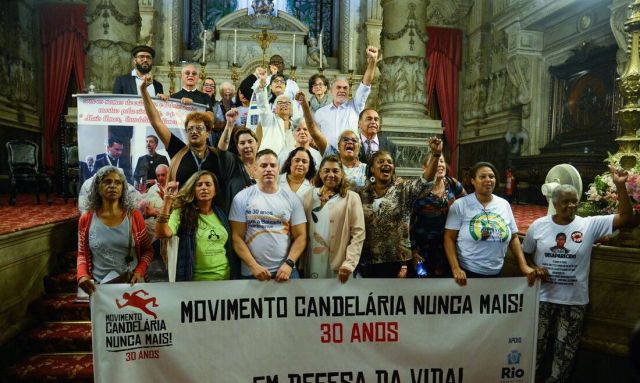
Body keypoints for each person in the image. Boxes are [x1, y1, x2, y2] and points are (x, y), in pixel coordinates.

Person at [522, 166, 632, 383]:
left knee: (565, 351)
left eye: (575, 201)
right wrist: (533, 268)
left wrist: (620, 186)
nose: (571, 206)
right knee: (534, 346)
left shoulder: (588, 225)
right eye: (566, 202)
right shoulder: (538, 226)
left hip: (574, 301)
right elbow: (525, 254)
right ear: (554, 203)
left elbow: (626, 216)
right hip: (543, 298)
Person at [443, 162, 538, 286]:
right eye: (482, 177)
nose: (488, 180)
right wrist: (456, 268)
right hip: (467, 274)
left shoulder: (503, 204)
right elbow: (448, 238)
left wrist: (523, 266)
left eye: (491, 176)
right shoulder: (460, 205)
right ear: (473, 181)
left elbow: (514, 238)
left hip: (496, 272)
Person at [229, 149, 307, 281]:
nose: (268, 169)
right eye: (263, 166)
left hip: (286, 271)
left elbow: (301, 236)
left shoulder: (292, 198)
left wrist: (289, 264)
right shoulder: (241, 198)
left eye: (272, 165)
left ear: (279, 169)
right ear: (255, 170)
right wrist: (253, 266)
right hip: (252, 272)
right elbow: (237, 238)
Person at [140, 74, 225, 191]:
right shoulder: (178, 149)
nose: (194, 131)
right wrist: (143, 90)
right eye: (190, 129)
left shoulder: (216, 156)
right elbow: (156, 122)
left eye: (199, 128)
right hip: (182, 208)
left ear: (208, 132)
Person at [76, 166, 154, 295]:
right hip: (99, 289)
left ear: (123, 188)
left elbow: (148, 250)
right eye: (107, 181)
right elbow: (82, 254)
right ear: (97, 187)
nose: (113, 186)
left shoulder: (134, 216)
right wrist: (82, 275)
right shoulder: (87, 218)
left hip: (132, 286)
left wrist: (140, 271)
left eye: (118, 182)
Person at [358, 148, 433, 278]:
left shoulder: (403, 189)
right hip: (367, 259)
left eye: (390, 162)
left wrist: (436, 155)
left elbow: (426, 181)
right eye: (380, 162)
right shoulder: (361, 193)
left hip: (397, 261)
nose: (386, 164)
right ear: (372, 169)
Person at [156, 170, 232, 281]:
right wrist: (167, 200)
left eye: (208, 184)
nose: (204, 188)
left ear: (215, 191)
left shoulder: (221, 214)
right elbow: (162, 233)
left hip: (226, 280)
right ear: (193, 190)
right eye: (199, 185)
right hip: (194, 283)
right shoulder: (181, 213)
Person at [302, 155, 365, 282]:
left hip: (339, 263)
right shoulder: (309, 195)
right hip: (312, 260)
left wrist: (349, 263)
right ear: (320, 173)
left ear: (342, 174)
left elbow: (358, 233)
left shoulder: (351, 198)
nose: (331, 174)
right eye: (326, 170)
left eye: (335, 171)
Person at [410, 138, 466, 277]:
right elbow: (407, 223)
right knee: (421, 284)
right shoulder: (418, 189)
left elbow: (468, 205)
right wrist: (413, 251)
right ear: (424, 168)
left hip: (448, 245)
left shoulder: (453, 184)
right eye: (435, 162)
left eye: (442, 161)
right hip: (423, 247)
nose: (440, 165)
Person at [314, 45, 379, 151]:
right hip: (328, 160)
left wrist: (372, 62)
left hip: (351, 157)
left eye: (345, 88)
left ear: (349, 91)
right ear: (331, 90)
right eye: (338, 87)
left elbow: (366, 83)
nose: (342, 91)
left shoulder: (355, 106)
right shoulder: (320, 113)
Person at [254, 68, 296, 154]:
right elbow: (263, 106)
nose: (284, 105)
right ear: (275, 109)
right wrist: (262, 85)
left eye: (287, 103)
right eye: (280, 103)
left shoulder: (295, 126)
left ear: (292, 109)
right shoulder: (269, 120)